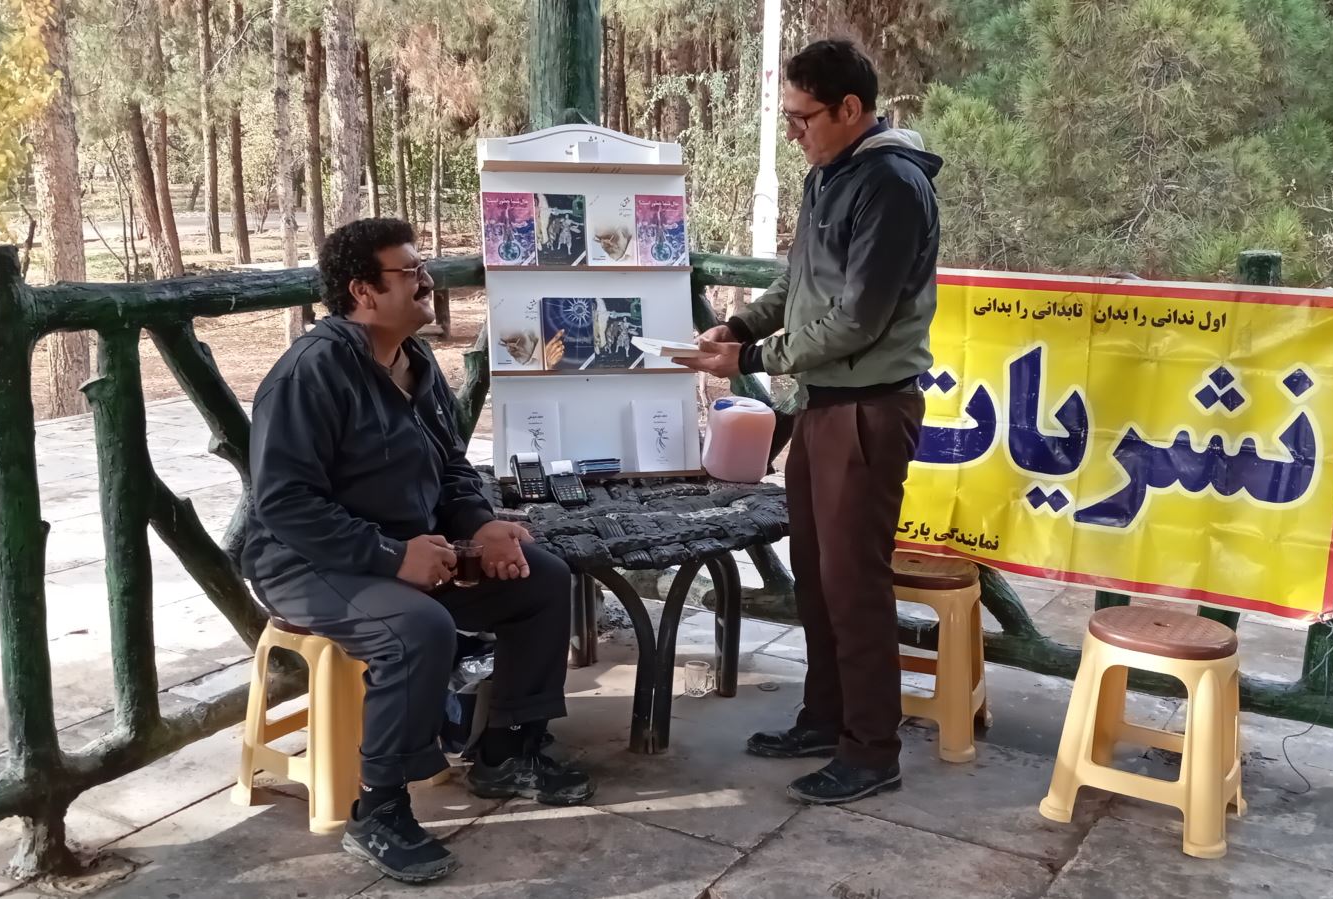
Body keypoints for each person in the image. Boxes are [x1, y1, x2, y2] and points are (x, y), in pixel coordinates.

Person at [242, 218, 594, 884]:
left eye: (422, 266)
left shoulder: (416, 362)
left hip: (407, 547)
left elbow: (452, 467)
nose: (427, 281)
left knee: (542, 578)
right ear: (363, 292)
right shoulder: (312, 372)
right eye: (409, 272)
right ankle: (378, 810)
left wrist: (482, 526)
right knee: (418, 628)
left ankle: (505, 752)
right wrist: (391, 557)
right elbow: (285, 504)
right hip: (305, 560)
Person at [679, 39, 943, 806]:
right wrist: (738, 326)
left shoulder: (892, 184)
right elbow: (797, 284)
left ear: (850, 109)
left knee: (855, 584)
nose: (794, 132)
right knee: (820, 578)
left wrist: (756, 354)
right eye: (789, 118)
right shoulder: (830, 173)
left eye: (803, 118)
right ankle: (825, 717)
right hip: (822, 403)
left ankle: (871, 748)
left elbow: (858, 318)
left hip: (869, 407)